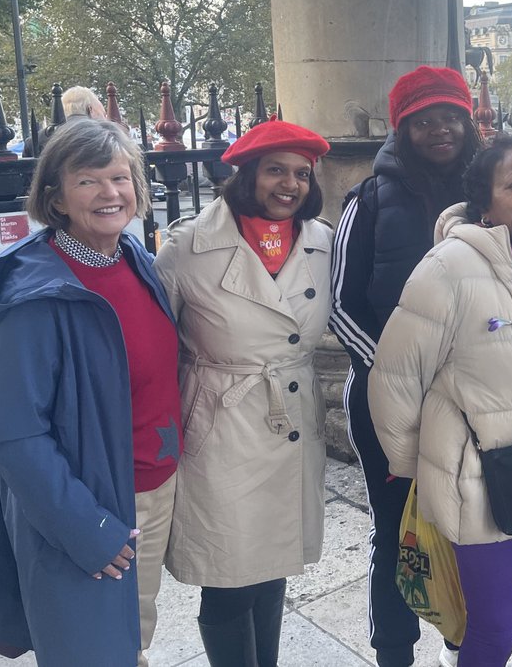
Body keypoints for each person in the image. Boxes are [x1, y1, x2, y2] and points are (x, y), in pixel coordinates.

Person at [0, 118, 177, 666]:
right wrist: (88, 528)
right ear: (56, 196)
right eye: (88, 180)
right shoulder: (40, 294)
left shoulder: (134, 259)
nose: (110, 193)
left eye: (120, 177)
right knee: (91, 651)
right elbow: (14, 435)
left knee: (131, 638)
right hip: (92, 506)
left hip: (152, 488)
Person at [368, 135, 512, 667]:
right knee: (495, 625)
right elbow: (395, 377)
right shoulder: (449, 266)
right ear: (485, 200)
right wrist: (418, 468)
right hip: (479, 479)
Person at [154, 118, 333, 667]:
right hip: (222, 422)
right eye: (276, 170)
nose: (290, 184)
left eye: (301, 173)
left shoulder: (322, 240)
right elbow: (157, 345)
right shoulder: (188, 247)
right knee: (229, 576)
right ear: (247, 173)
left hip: (292, 416)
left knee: (273, 565)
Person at [330, 65, 482, 667]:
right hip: (386, 403)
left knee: (468, 526)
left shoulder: (491, 194)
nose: (440, 128)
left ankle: (458, 642)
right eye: (425, 119)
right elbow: (342, 306)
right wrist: (400, 379)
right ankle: (394, 652)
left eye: (451, 115)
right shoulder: (368, 199)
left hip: (473, 401)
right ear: (403, 126)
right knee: (396, 530)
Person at [23, 85, 106, 156]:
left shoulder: (33, 141)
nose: (106, 118)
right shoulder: (101, 136)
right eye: (103, 113)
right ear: (90, 109)